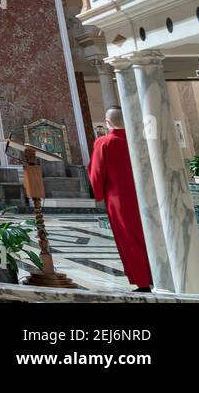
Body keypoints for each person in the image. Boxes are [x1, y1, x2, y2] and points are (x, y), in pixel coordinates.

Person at [88, 107, 151, 290]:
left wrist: (98, 194)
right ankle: (159, 274)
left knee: (130, 239)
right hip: (147, 196)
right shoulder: (140, 141)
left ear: (107, 123)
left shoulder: (105, 142)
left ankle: (143, 281)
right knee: (150, 236)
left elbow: (97, 172)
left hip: (120, 199)